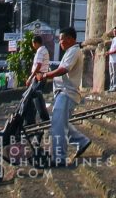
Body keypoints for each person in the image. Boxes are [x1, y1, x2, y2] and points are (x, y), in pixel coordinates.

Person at [37, 26, 90, 168]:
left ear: (70, 39)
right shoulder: (69, 52)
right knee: (60, 122)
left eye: (62, 40)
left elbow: (64, 69)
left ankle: (59, 157)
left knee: (58, 126)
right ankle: (81, 141)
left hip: (67, 92)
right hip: (63, 92)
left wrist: (47, 75)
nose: (60, 43)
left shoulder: (74, 51)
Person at [24, 36, 50, 125]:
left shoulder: (40, 51)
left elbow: (38, 65)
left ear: (35, 42)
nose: (32, 45)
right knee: (32, 97)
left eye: (33, 43)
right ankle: (30, 120)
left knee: (35, 96)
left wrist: (30, 77)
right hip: (40, 76)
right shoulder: (44, 50)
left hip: (39, 76)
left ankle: (44, 118)